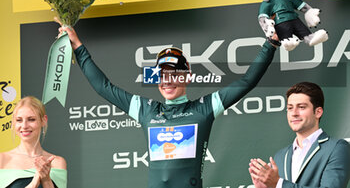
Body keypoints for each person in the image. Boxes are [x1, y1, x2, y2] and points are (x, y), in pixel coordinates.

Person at [59, 23, 279, 188]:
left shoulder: (204, 108)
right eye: (162, 75)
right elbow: (103, 87)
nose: (168, 80)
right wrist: (78, 47)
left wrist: (270, 43)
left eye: (175, 74)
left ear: (188, 76)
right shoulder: (146, 110)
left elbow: (247, 81)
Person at [249, 82, 350, 188]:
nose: (294, 113)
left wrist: (279, 184)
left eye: (301, 107)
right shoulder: (281, 156)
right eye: (290, 108)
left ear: (318, 112)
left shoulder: (337, 148)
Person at [0, 96, 67, 188]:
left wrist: (46, 179)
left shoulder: (57, 162)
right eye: (19, 120)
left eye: (31, 119)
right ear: (13, 123)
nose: (24, 126)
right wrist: (34, 182)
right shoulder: (2, 160)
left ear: (43, 120)